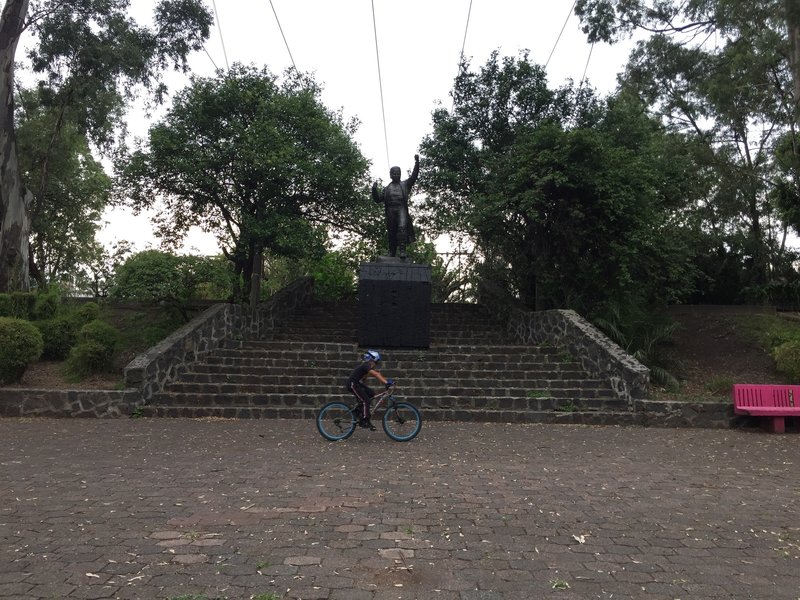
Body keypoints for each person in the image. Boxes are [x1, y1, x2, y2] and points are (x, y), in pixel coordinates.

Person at [371, 154, 420, 259]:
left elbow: (414, 176)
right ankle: (392, 252)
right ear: (390, 175)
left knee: (402, 228)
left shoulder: (405, 184)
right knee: (392, 231)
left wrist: (417, 162)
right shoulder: (387, 188)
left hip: (401, 208)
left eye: (398, 173)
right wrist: (374, 190)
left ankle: (402, 251)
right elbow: (378, 199)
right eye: (394, 173)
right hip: (390, 210)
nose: (396, 175)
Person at [345, 349, 394, 430]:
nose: (376, 364)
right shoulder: (366, 365)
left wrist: (364, 386)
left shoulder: (366, 367)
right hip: (352, 384)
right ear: (372, 360)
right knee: (366, 401)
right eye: (376, 362)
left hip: (356, 383)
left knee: (371, 393)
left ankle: (359, 412)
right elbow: (376, 374)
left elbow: (364, 377)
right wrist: (386, 383)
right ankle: (365, 420)